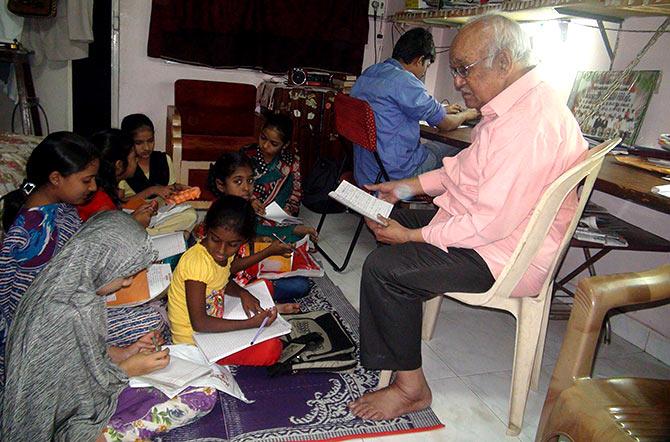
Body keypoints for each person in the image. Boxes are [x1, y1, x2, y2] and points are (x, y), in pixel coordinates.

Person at [348, 14, 588, 421]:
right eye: (454, 69)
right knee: (391, 227)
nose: (456, 81)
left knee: (385, 267)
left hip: (503, 255)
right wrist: (405, 188)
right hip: (489, 234)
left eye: (463, 70)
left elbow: (490, 223)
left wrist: (413, 238)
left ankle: (411, 389)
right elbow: (464, 170)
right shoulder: (515, 108)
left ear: (504, 61)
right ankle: (399, 335)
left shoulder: (528, 125)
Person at [1, 211, 216, 440]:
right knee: (197, 399)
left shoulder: (76, 287)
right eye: (126, 275)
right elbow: (59, 401)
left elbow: (87, 355)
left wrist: (126, 352)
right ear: (102, 261)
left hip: (94, 392)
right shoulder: (65, 313)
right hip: (58, 428)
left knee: (205, 391)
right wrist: (127, 369)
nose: (127, 283)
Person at [0, 132, 99, 388]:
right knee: (147, 323)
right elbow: (38, 313)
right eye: (87, 180)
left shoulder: (62, 208)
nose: (94, 187)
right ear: (56, 178)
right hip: (37, 339)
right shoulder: (33, 238)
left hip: (71, 304)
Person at [168, 195, 298, 366]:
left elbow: (222, 276)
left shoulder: (219, 252)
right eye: (215, 239)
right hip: (194, 342)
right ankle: (267, 316)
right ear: (206, 230)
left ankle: (267, 314)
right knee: (271, 350)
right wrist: (249, 324)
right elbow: (199, 323)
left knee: (262, 287)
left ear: (243, 241)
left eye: (233, 244)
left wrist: (243, 293)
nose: (222, 250)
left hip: (214, 312)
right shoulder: (196, 264)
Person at [351, 27, 479, 186]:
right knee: (461, 147)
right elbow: (446, 124)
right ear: (419, 60)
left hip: (367, 170)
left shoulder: (371, 72)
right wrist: (468, 114)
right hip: (397, 174)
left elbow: (391, 107)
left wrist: (441, 108)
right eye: (427, 65)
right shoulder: (406, 82)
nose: (424, 72)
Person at [207, 152, 315, 301]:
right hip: (227, 277)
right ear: (221, 185)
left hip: (244, 265)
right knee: (300, 286)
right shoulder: (224, 216)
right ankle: (245, 297)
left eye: (250, 181)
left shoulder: (244, 208)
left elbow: (244, 239)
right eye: (238, 182)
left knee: (296, 273)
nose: (246, 188)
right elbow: (228, 267)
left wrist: (259, 240)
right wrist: (267, 252)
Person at [78, 129, 197, 235]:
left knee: (188, 214)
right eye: (134, 157)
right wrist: (134, 222)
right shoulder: (101, 202)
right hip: (126, 238)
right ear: (119, 166)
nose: (137, 161)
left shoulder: (105, 191)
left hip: (128, 223)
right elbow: (110, 241)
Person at [240, 112, 303, 217]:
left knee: (288, 230)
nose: (265, 145)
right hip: (247, 205)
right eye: (263, 138)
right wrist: (251, 200)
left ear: (285, 144)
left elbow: (296, 193)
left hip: (276, 212)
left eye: (274, 144)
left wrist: (286, 210)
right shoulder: (247, 154)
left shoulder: (291, 162)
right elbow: (236, 183)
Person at [119, 113, 186, 200]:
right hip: (134, 212)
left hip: (163, 209)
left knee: (190, 213)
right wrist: (151, 190)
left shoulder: (163, 159)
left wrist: (179, 188)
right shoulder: (122, 167)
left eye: (150, 141)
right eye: (139, 143)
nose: (146, 148)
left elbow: (169, 191)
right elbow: (118, 205)